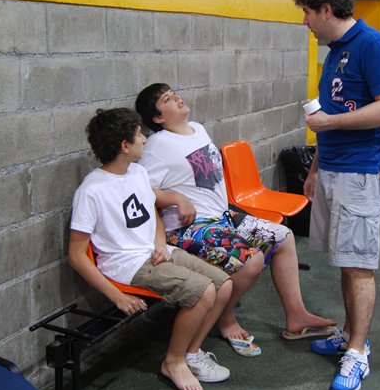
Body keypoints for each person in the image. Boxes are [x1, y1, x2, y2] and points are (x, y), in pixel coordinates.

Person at [135, 83, 337, 358]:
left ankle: (297, 316)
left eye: (174, 93)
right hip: (189, 227)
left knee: (283, 237)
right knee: (250, 261)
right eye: (167, 99)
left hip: (222, 217)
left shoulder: (197, 129)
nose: (177, 98)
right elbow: (141, 190)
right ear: (158, 118)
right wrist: (175, 198)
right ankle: (226, 317)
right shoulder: (158, 145)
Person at [67, 108, 234, 390]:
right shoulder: (91, 191)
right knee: (203, 291)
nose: (144, 139)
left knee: (224, 284)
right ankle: (173, 361)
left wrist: (159, 242)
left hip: (156, 251)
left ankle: (192, 353)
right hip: (127, 265)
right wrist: (117, 296)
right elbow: (76, 255)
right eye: (138, 135)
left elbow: (152, 214)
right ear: (125, 145)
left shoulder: (138, 172)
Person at [294, 0, 380, 390]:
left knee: (359, 265)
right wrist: (315, 168)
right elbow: (332, 113)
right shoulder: (336, 51)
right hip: (334, 169)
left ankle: (358, 351)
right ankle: (349, 333)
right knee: (345, 259)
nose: (305, 21)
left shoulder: (373, 46)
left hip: (361, 173)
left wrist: (331, 124)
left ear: (326, 9)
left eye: (307, 13)